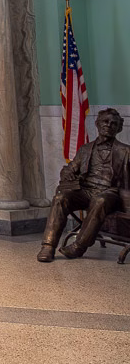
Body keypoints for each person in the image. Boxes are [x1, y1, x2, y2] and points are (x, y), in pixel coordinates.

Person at [37, 107, 130, 261]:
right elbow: (70, 168)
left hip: (111, 192)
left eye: (113, 123)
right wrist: (68, 174)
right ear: (97, 124)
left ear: (119, 128)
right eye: (105, 121)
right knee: (61, 198)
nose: (109, 125)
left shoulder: (125, 151)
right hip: (85, 190)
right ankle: (48, 246)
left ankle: (79, 245)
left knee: (100, 200)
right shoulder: (85, 149)